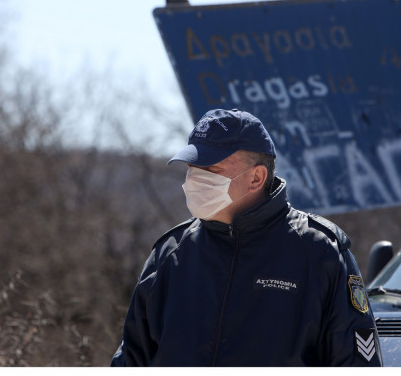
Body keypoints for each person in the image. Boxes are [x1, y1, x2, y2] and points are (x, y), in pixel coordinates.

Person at [110, 108, 383, 366]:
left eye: (211, 169)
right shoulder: (170, 254)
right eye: (192, 168)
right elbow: (131, 360)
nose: (194, 179)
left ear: (256, 178)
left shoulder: (320, 251)